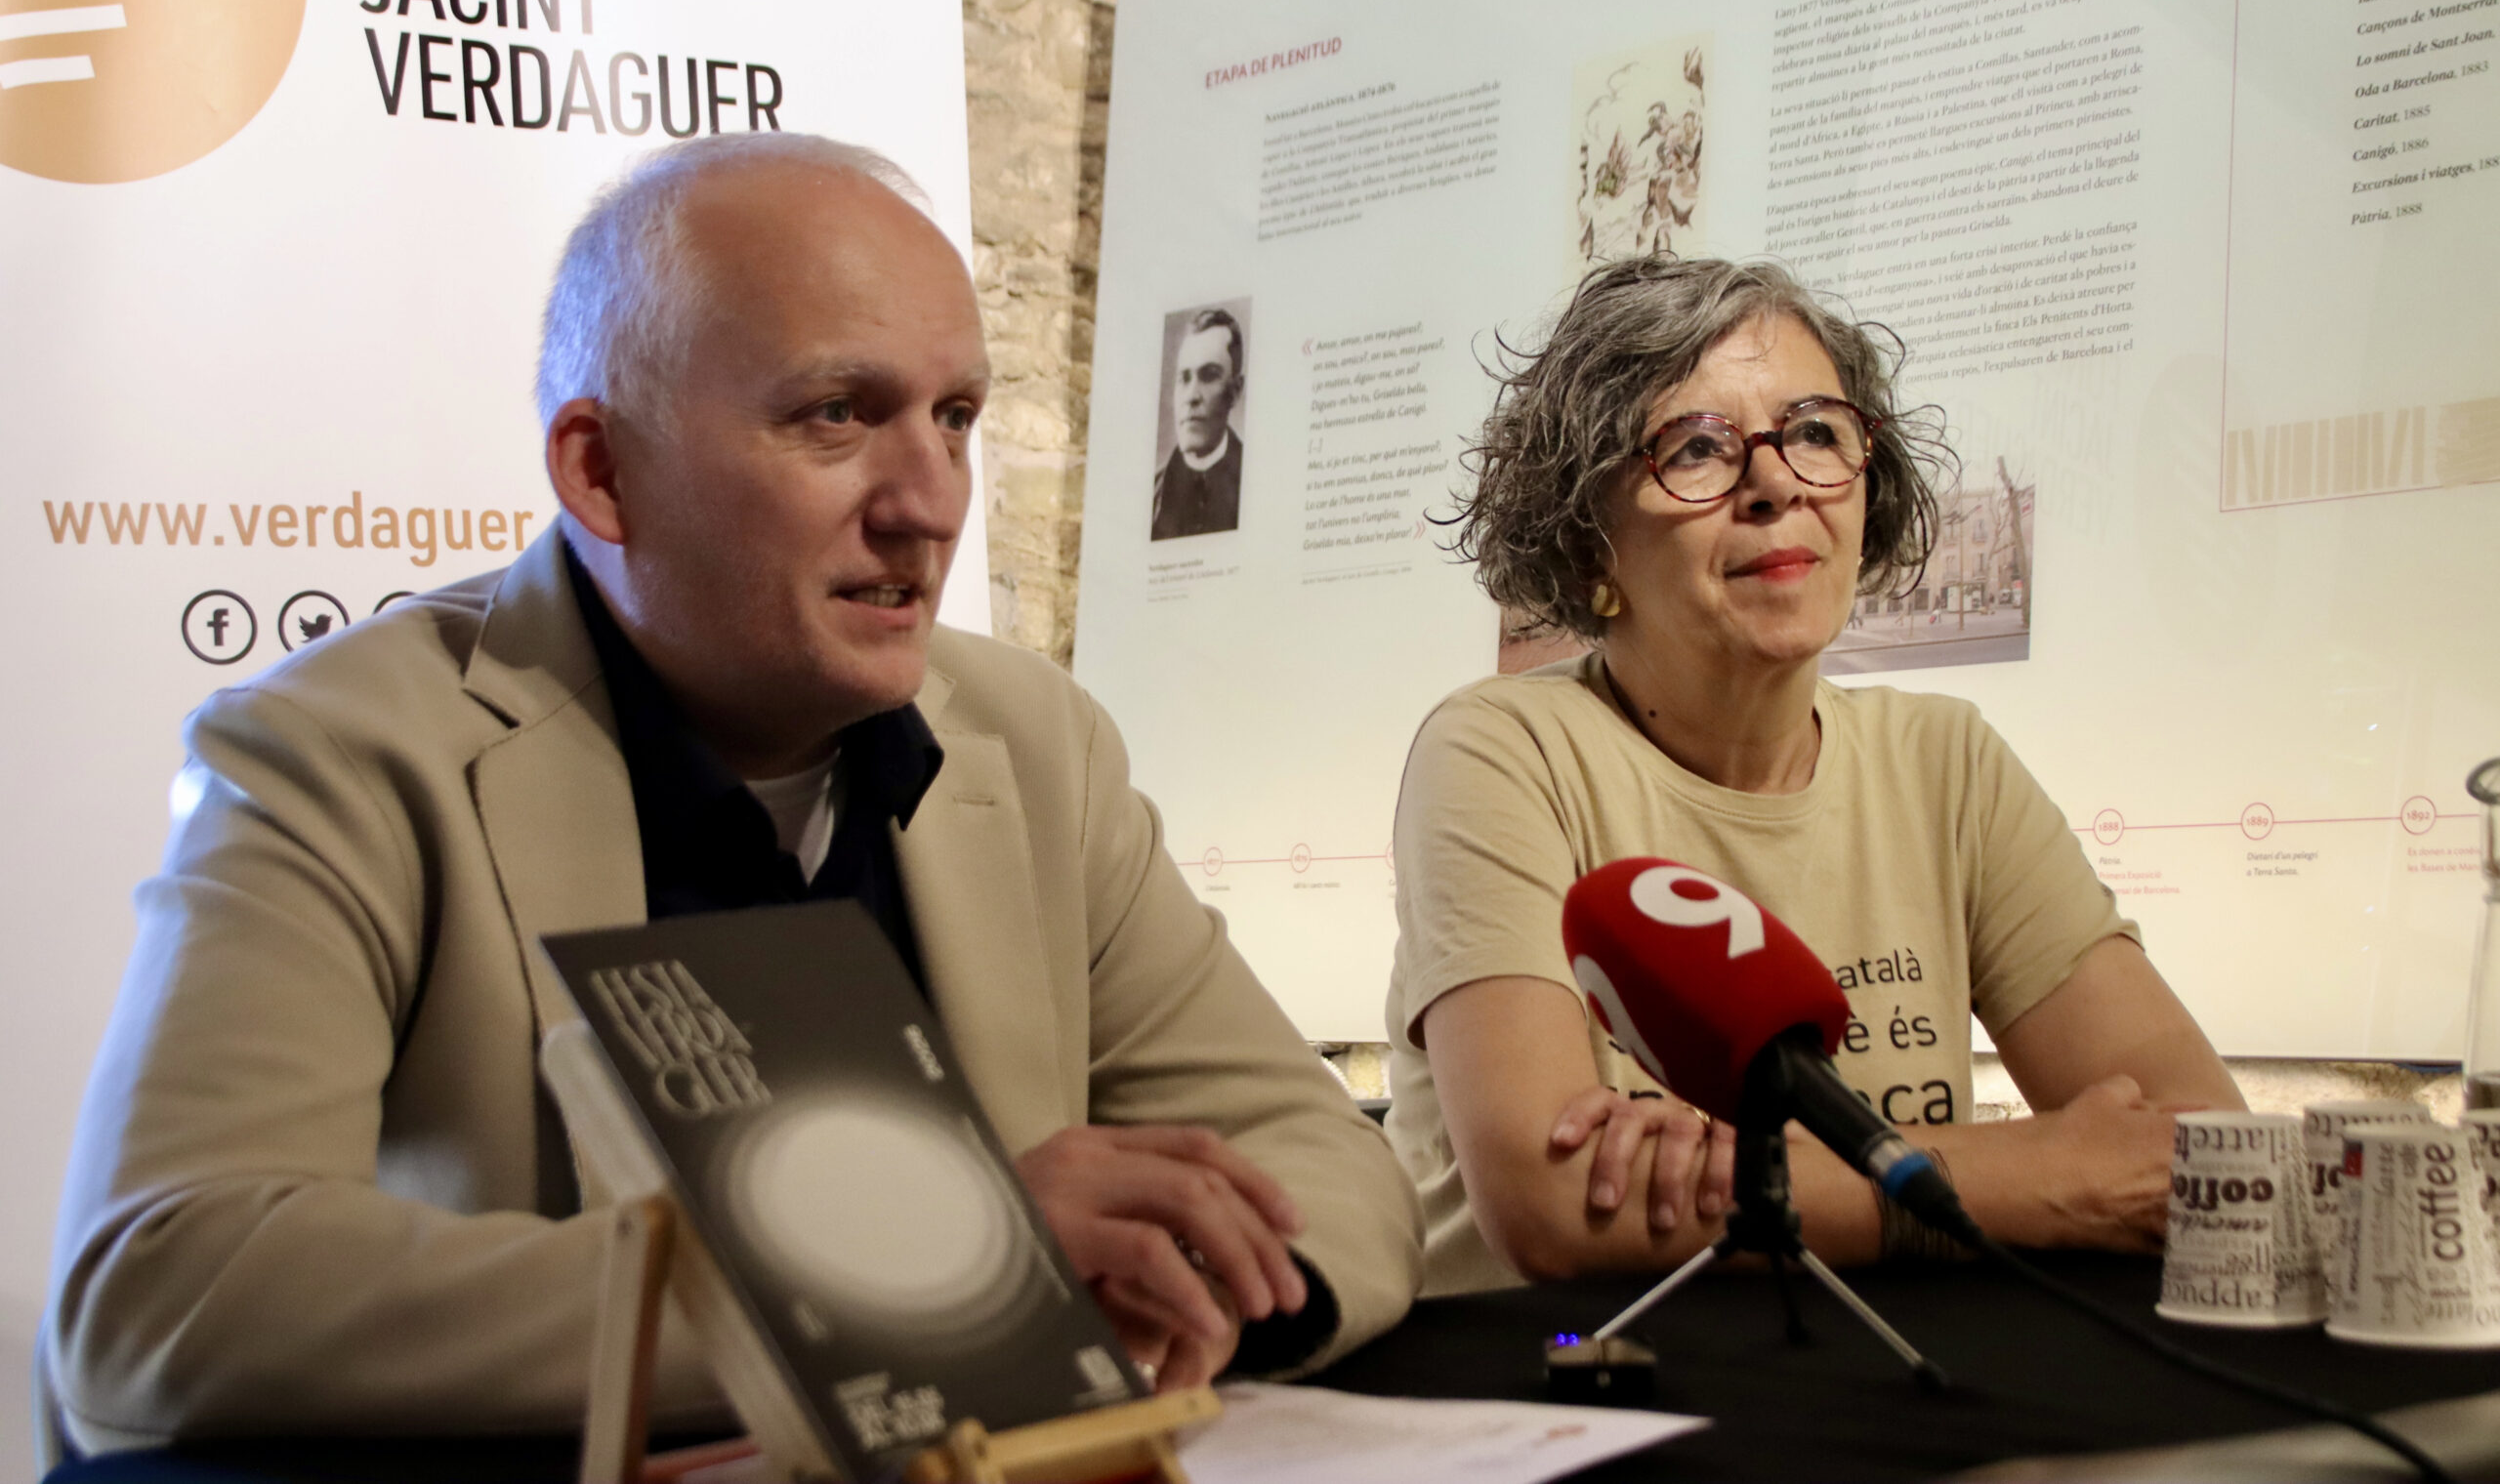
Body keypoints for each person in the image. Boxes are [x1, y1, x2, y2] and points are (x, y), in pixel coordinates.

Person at [47, 136, 1419, 1454]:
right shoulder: (342, 752)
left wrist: (1191, 1280)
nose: (931, 503)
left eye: (954, 417)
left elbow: (1325, 1159)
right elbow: (161, 1289)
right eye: (837, 414)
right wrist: (938, 1275)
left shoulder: (1036, 741)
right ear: (602, 470)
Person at [1385, 255, 2240, 1296]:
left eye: (1816, 432)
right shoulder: (1500, 748)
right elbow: (1557, 1206)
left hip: (1869, 1369)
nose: (1777, 483)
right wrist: (2040, 1171)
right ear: (1589, 543)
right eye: (1696, 448)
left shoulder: (1946, 762)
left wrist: (1733, 1182)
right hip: (1549, 1374)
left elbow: (2200, 1153)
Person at [1149, 307, 1245, 539]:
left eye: (1209, 375)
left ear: (1235, 391)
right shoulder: (1152, 494)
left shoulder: (1254, 482)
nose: (1192, 396)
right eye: (1184, 379)